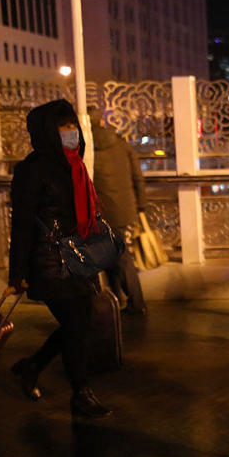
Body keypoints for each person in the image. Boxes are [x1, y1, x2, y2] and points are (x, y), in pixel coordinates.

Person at [4, 99, 112, 419]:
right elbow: (21, 224)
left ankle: (32, 366)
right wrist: (17, 273)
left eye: (72, 126)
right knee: (77, 323)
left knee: (78, 323)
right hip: (48, 262)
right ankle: (81, 394)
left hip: (77, 259)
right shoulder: (31, 170)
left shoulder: (75, 165)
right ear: (47, 132)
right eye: (62, 127)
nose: (70, 133)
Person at [87, 106, 148, 315]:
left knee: (111, 256)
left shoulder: (84, 149)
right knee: (119, 255)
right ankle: (131, 301)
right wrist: (141, 205)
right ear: (103, 122)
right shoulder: (122, 145)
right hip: (123, 210)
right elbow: (137, 178)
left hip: (98, 212)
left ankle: (126, 300)